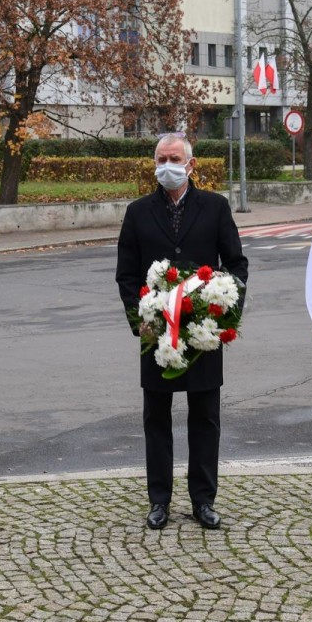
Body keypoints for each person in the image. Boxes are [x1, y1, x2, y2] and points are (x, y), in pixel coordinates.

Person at [116, 134, 248, 530]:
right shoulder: (138, 212)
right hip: (157, 335)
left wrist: (223, 311)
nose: (166, 165)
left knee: (205, 418)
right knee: (156, 418)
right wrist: (139, 318)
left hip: (202, 333)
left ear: (190, 165)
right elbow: (125, 274)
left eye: (174, 158)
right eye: (161, 158)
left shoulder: (215, 207)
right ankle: (159, 500)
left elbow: (237, 264)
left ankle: (203, 501)